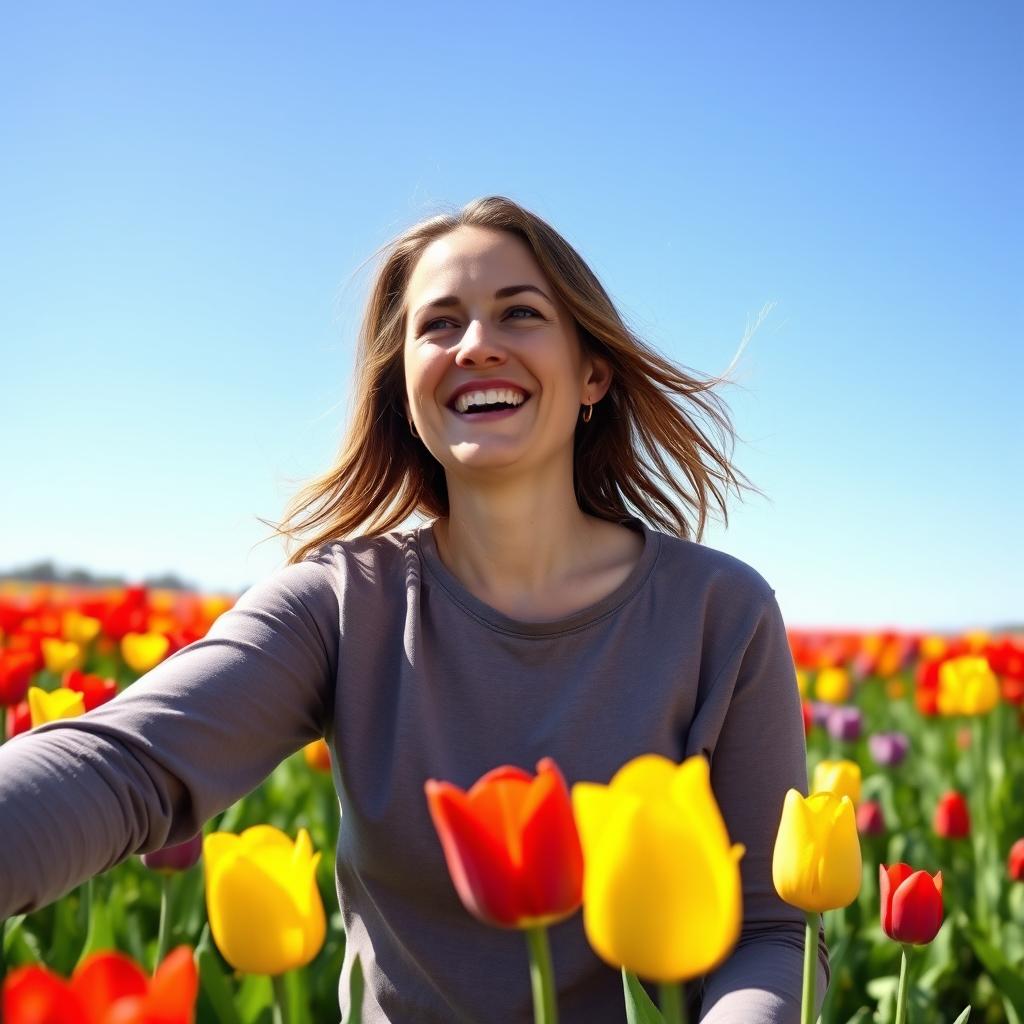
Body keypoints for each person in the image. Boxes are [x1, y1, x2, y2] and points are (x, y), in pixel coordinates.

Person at [0, 195, 829, 1022]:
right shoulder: (343, 604)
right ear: (403, 385)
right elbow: (130, 763)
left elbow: (772, 928)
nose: (476, 346)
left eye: (520, 313)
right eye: (439, 325)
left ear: (592, 372)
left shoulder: (719, 614)